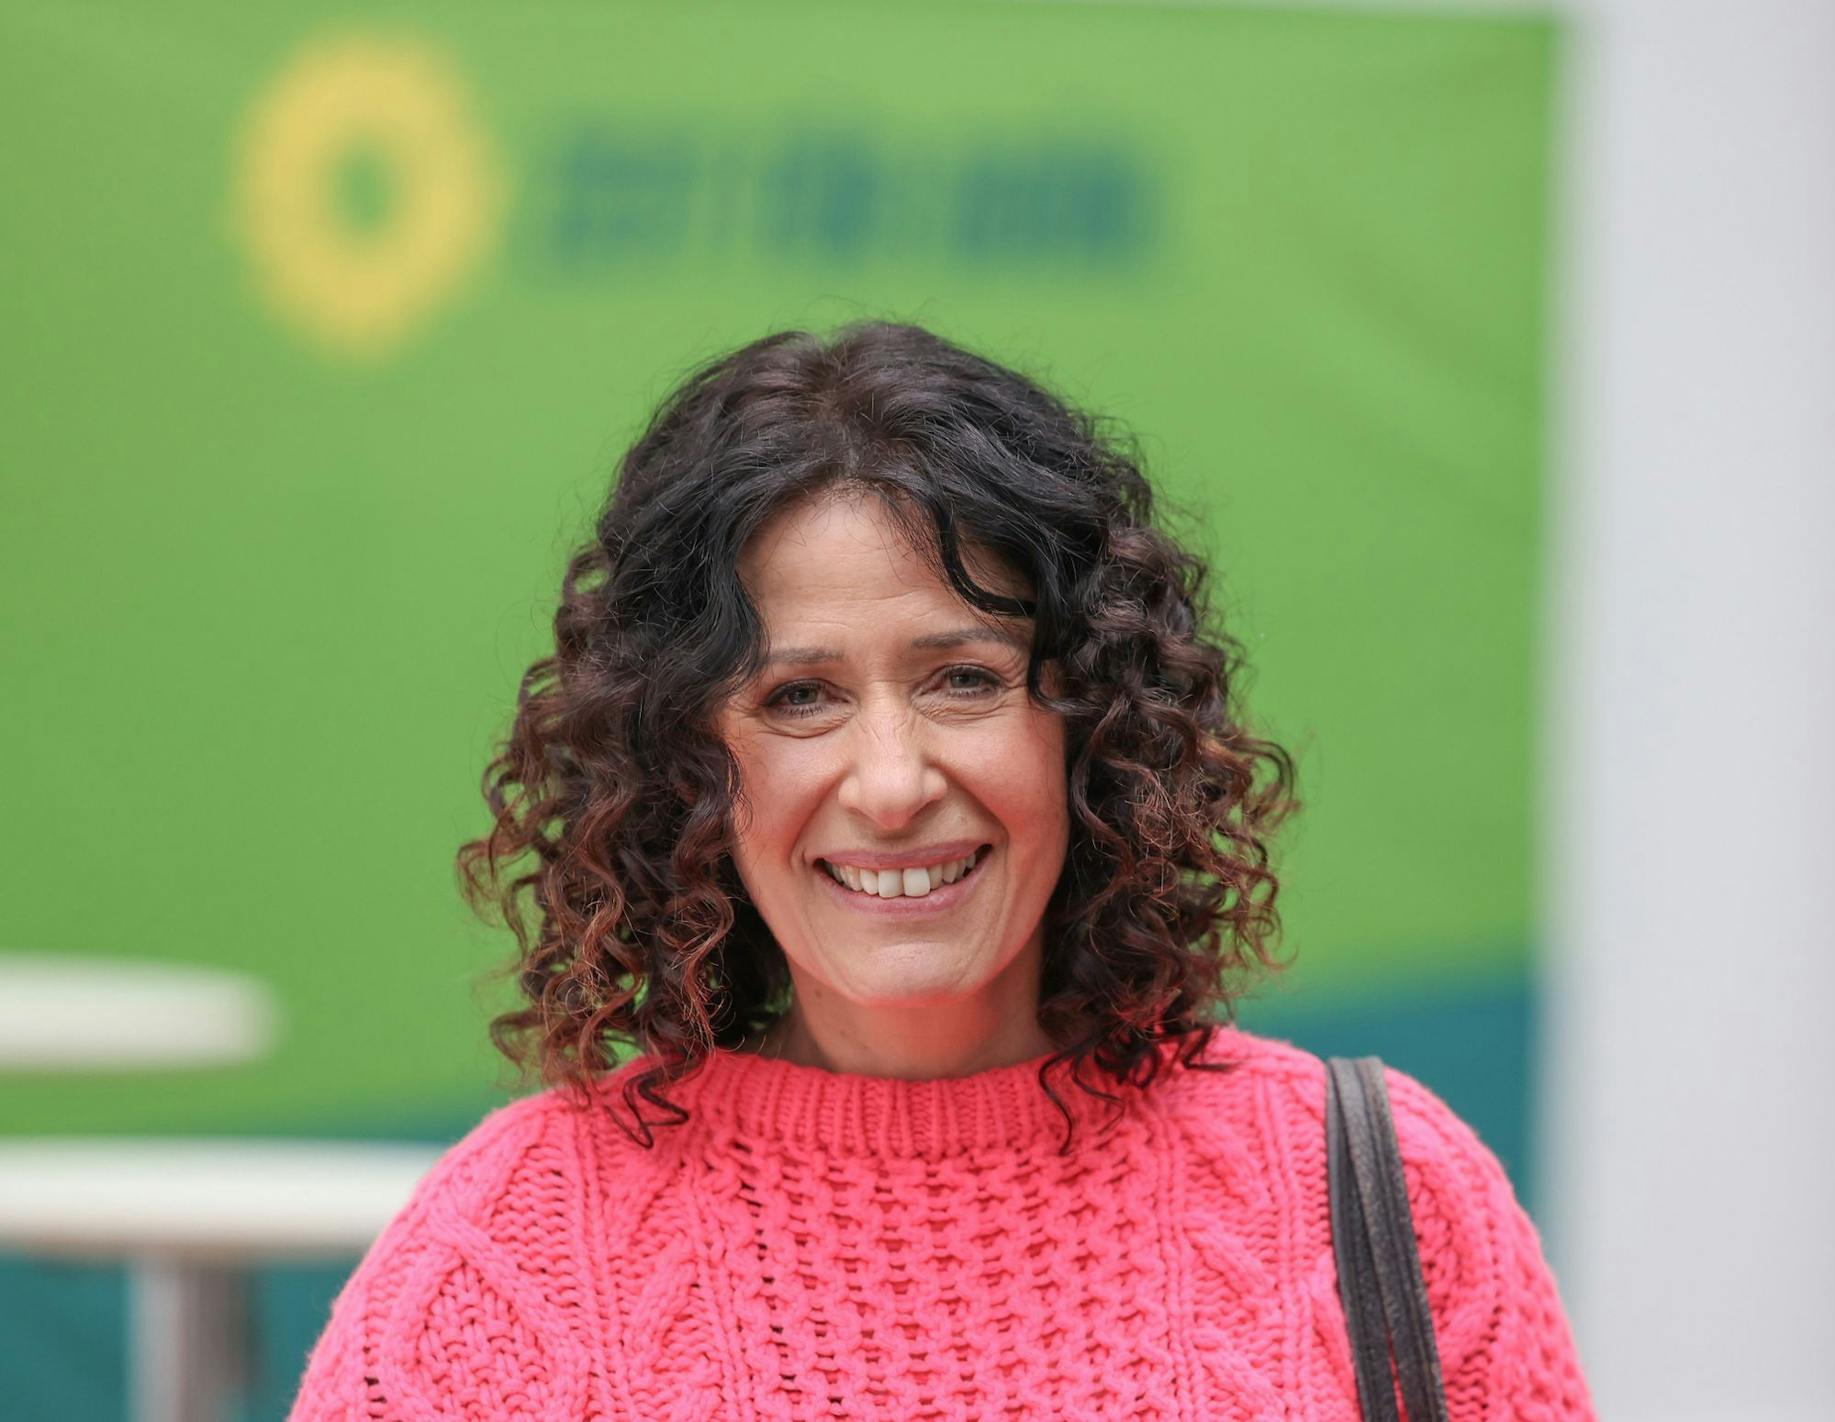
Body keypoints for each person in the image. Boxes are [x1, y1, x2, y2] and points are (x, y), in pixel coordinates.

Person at [287, 320, 1595, 1420]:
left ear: (1091, 717)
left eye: (962, 679)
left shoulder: (1377, 1192)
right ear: (685, 765)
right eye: (799, 696)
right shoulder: (510, 1257)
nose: (892, 783)